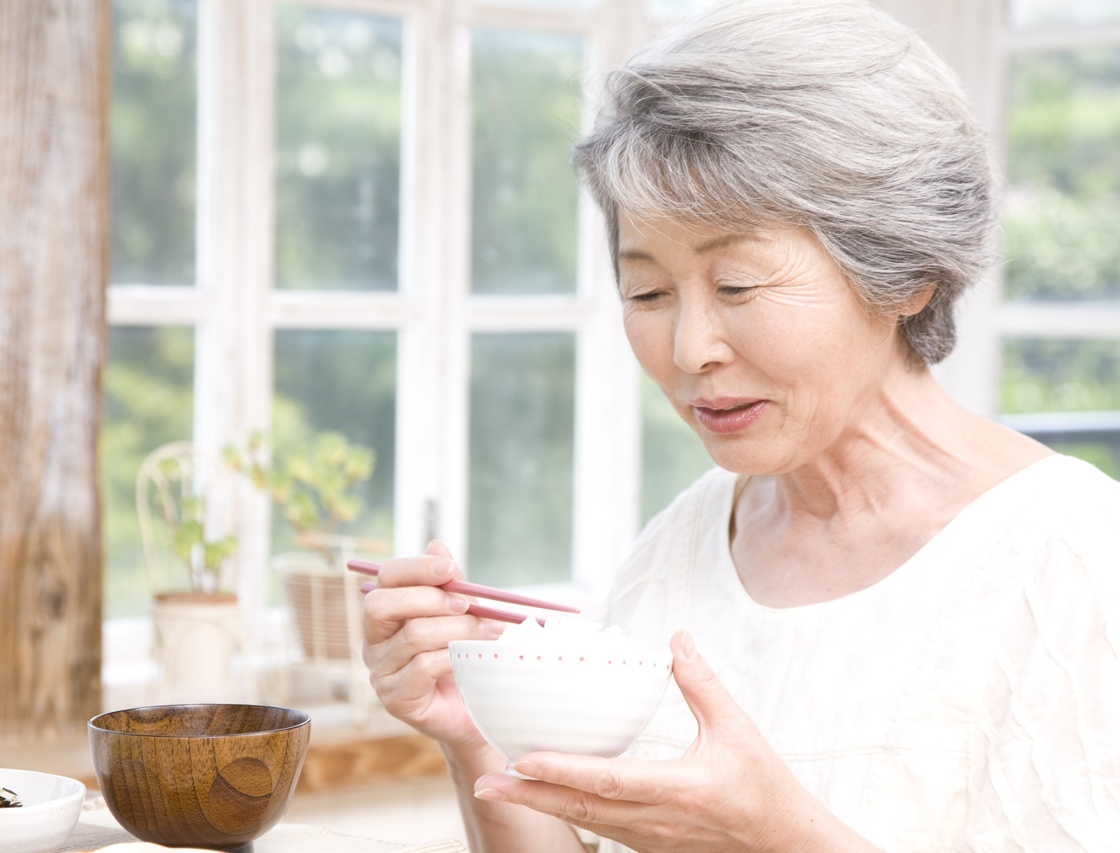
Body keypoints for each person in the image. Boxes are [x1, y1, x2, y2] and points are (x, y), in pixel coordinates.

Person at [360, 0, 1120, 850]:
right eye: (646, 292)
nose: (689, 349)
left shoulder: (1076, 560)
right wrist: (477, 733)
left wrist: (772, 834)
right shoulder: (682, 546)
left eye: (739, 287)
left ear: (907, 274)